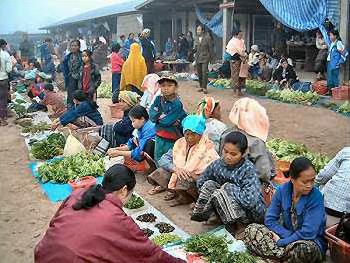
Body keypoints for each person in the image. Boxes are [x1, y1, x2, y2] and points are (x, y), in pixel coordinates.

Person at [34, 164, 185, 263]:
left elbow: (54, 223)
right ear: (124, 190)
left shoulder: (78, 194)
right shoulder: (117, 218)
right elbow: (150, 254)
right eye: (131, 193)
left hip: (43, 255)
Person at [243, 157, 327, 263]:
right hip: (285, 236)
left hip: (309, 242)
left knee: (303, 250)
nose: (309, 185)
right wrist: (286, 236)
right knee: (252, 230)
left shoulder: (316, 196)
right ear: (292, 179)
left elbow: (308, 233)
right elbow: (270, 219)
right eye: (305, 182)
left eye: (312, 180)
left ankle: (276, 256)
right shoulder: (282, 191)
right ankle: (283, 257)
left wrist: (281, 242)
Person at [192, 131, 266, 232]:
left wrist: (228, 189)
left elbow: (250, 201)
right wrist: (213, 200)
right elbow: (201, 181)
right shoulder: (217, 164)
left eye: (233, 154)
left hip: (250, 213)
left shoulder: (248, 170)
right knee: (209, 185)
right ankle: (217, 216)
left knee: (223, 191)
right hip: (227, 204)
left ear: (243, 153)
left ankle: (240, 227)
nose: (228, 156)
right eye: (225, 151)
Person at [148, 115, 219, 206]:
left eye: (193, 134)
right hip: (182, 173)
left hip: (198, 181)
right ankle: (179, 195)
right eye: (187, 134)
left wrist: (195, 176)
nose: (189, 137)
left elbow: (213, 175)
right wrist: (175, 169)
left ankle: (193, 200)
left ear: (200, 133)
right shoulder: (180, 143)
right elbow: (163, 159)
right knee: (161, 172)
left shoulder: (208, 148)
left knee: (185, 178)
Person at [221, 98, 274, 183]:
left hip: (223, 178)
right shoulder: (256, 142)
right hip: (246, 185)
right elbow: (264, 173)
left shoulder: (226, 134)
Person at [149, 75, 187, 164]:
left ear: (176, 87)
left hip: (172, 137)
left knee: (169, 160)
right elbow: (151, 115)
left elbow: (167, 121)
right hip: (159, 135)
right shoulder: (158, 99)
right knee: (157, 157)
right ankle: (158, 176)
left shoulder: (177, 104)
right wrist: (160, 117)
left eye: (170, 85)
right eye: (163, 86)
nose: (166, 88)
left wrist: (158, 117)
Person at [315, 147, 350, 217]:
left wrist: (314, 182)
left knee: (321, 185)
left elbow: (324, 175)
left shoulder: (347, 151)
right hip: (345, 215)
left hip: (327, 203)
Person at [62, 40, 83, 108]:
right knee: (71, 94)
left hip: (81, 79)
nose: (73, 47)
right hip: (71, 78)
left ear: (79, 47)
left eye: (75, 46)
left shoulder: (82, 56)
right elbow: (65, 68)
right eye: (72, 46)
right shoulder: (67, 57)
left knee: (80, 94)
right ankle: (70, 108)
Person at [194, 25, 214, 94]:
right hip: (198, 57)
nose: (197, 31)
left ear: (202, 31)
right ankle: (201, 86)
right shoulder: (196, 38)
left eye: (199, 30)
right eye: (197, 30)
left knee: (204, 72)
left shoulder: (207, 38)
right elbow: (195, 49)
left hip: (205, 57)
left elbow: (211, 49)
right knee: (199, 73)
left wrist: (212, 59)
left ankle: (205, 87)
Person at [226, 30, 246, 96]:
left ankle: (239, 90)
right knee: (235, 76)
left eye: (241, 35)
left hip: (242, 61)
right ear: (235, 35)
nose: (241, 36)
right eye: (240, 35)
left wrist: (244, 56)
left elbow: (244, 50)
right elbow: (232, 52)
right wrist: (241, 56)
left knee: (241, 76)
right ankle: (235, 91)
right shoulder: (232, 42)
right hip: (235, 60)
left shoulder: (242, 41)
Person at [0, 39, 12, 126]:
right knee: (2, 99)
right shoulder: (5, 55)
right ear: (3, 45)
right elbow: (8, 69)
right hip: (3, 79)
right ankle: (2, 119)